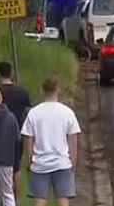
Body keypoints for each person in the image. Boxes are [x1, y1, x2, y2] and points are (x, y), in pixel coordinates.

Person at [21, 77, 81, 206]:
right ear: (58, 90)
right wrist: (73, 164)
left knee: (40, 200)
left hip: (40, 164)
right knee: (63, 199)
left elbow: (29, 141)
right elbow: (73, 142)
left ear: (42, 90)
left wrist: (30, 161)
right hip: (62, 163)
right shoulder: (67, 113)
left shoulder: (33, 113)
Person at [0, 61, 32, 197]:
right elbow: (28, 112)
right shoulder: (22, 92)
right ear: (10, 73)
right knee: (16, 168)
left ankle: (2, 199)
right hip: (17, 134)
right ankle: (15, 199)